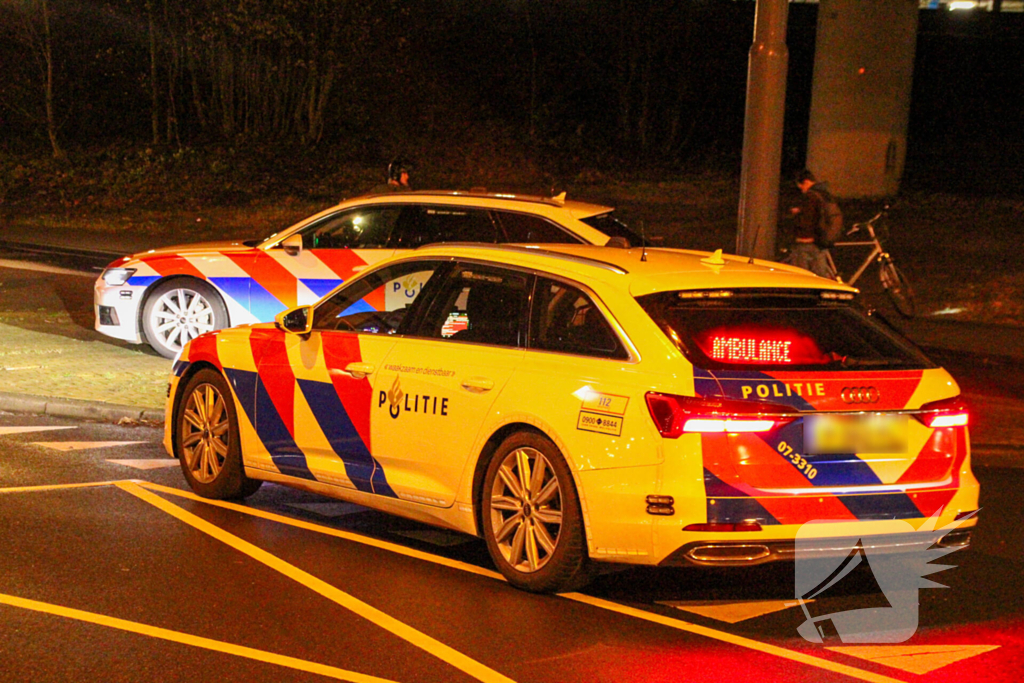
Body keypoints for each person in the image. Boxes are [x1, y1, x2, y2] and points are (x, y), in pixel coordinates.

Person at [783, 169, 836, 279]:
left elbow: (807, 220)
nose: (802, 190)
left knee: (801, 277)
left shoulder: (810, 196)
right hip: (820, 241)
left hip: (806, 241)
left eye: (801, 186)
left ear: (806, 182)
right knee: (820, 277)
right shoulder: (824, 194)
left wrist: (797, 215)